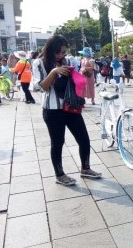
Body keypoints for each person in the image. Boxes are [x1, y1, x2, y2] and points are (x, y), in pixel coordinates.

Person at [36, 35, 101, 186]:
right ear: (50, 50)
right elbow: (41, 87)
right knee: (57, 142)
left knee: (84, 138)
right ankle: (60, 174)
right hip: (52, 110)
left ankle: (86, 168)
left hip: (71, 107)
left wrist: (84, 73)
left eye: (63, 52)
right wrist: (53, 72)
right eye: (57, 52)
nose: (61, 55)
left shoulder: (69, 61)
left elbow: (77, 79)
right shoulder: (39, 63)